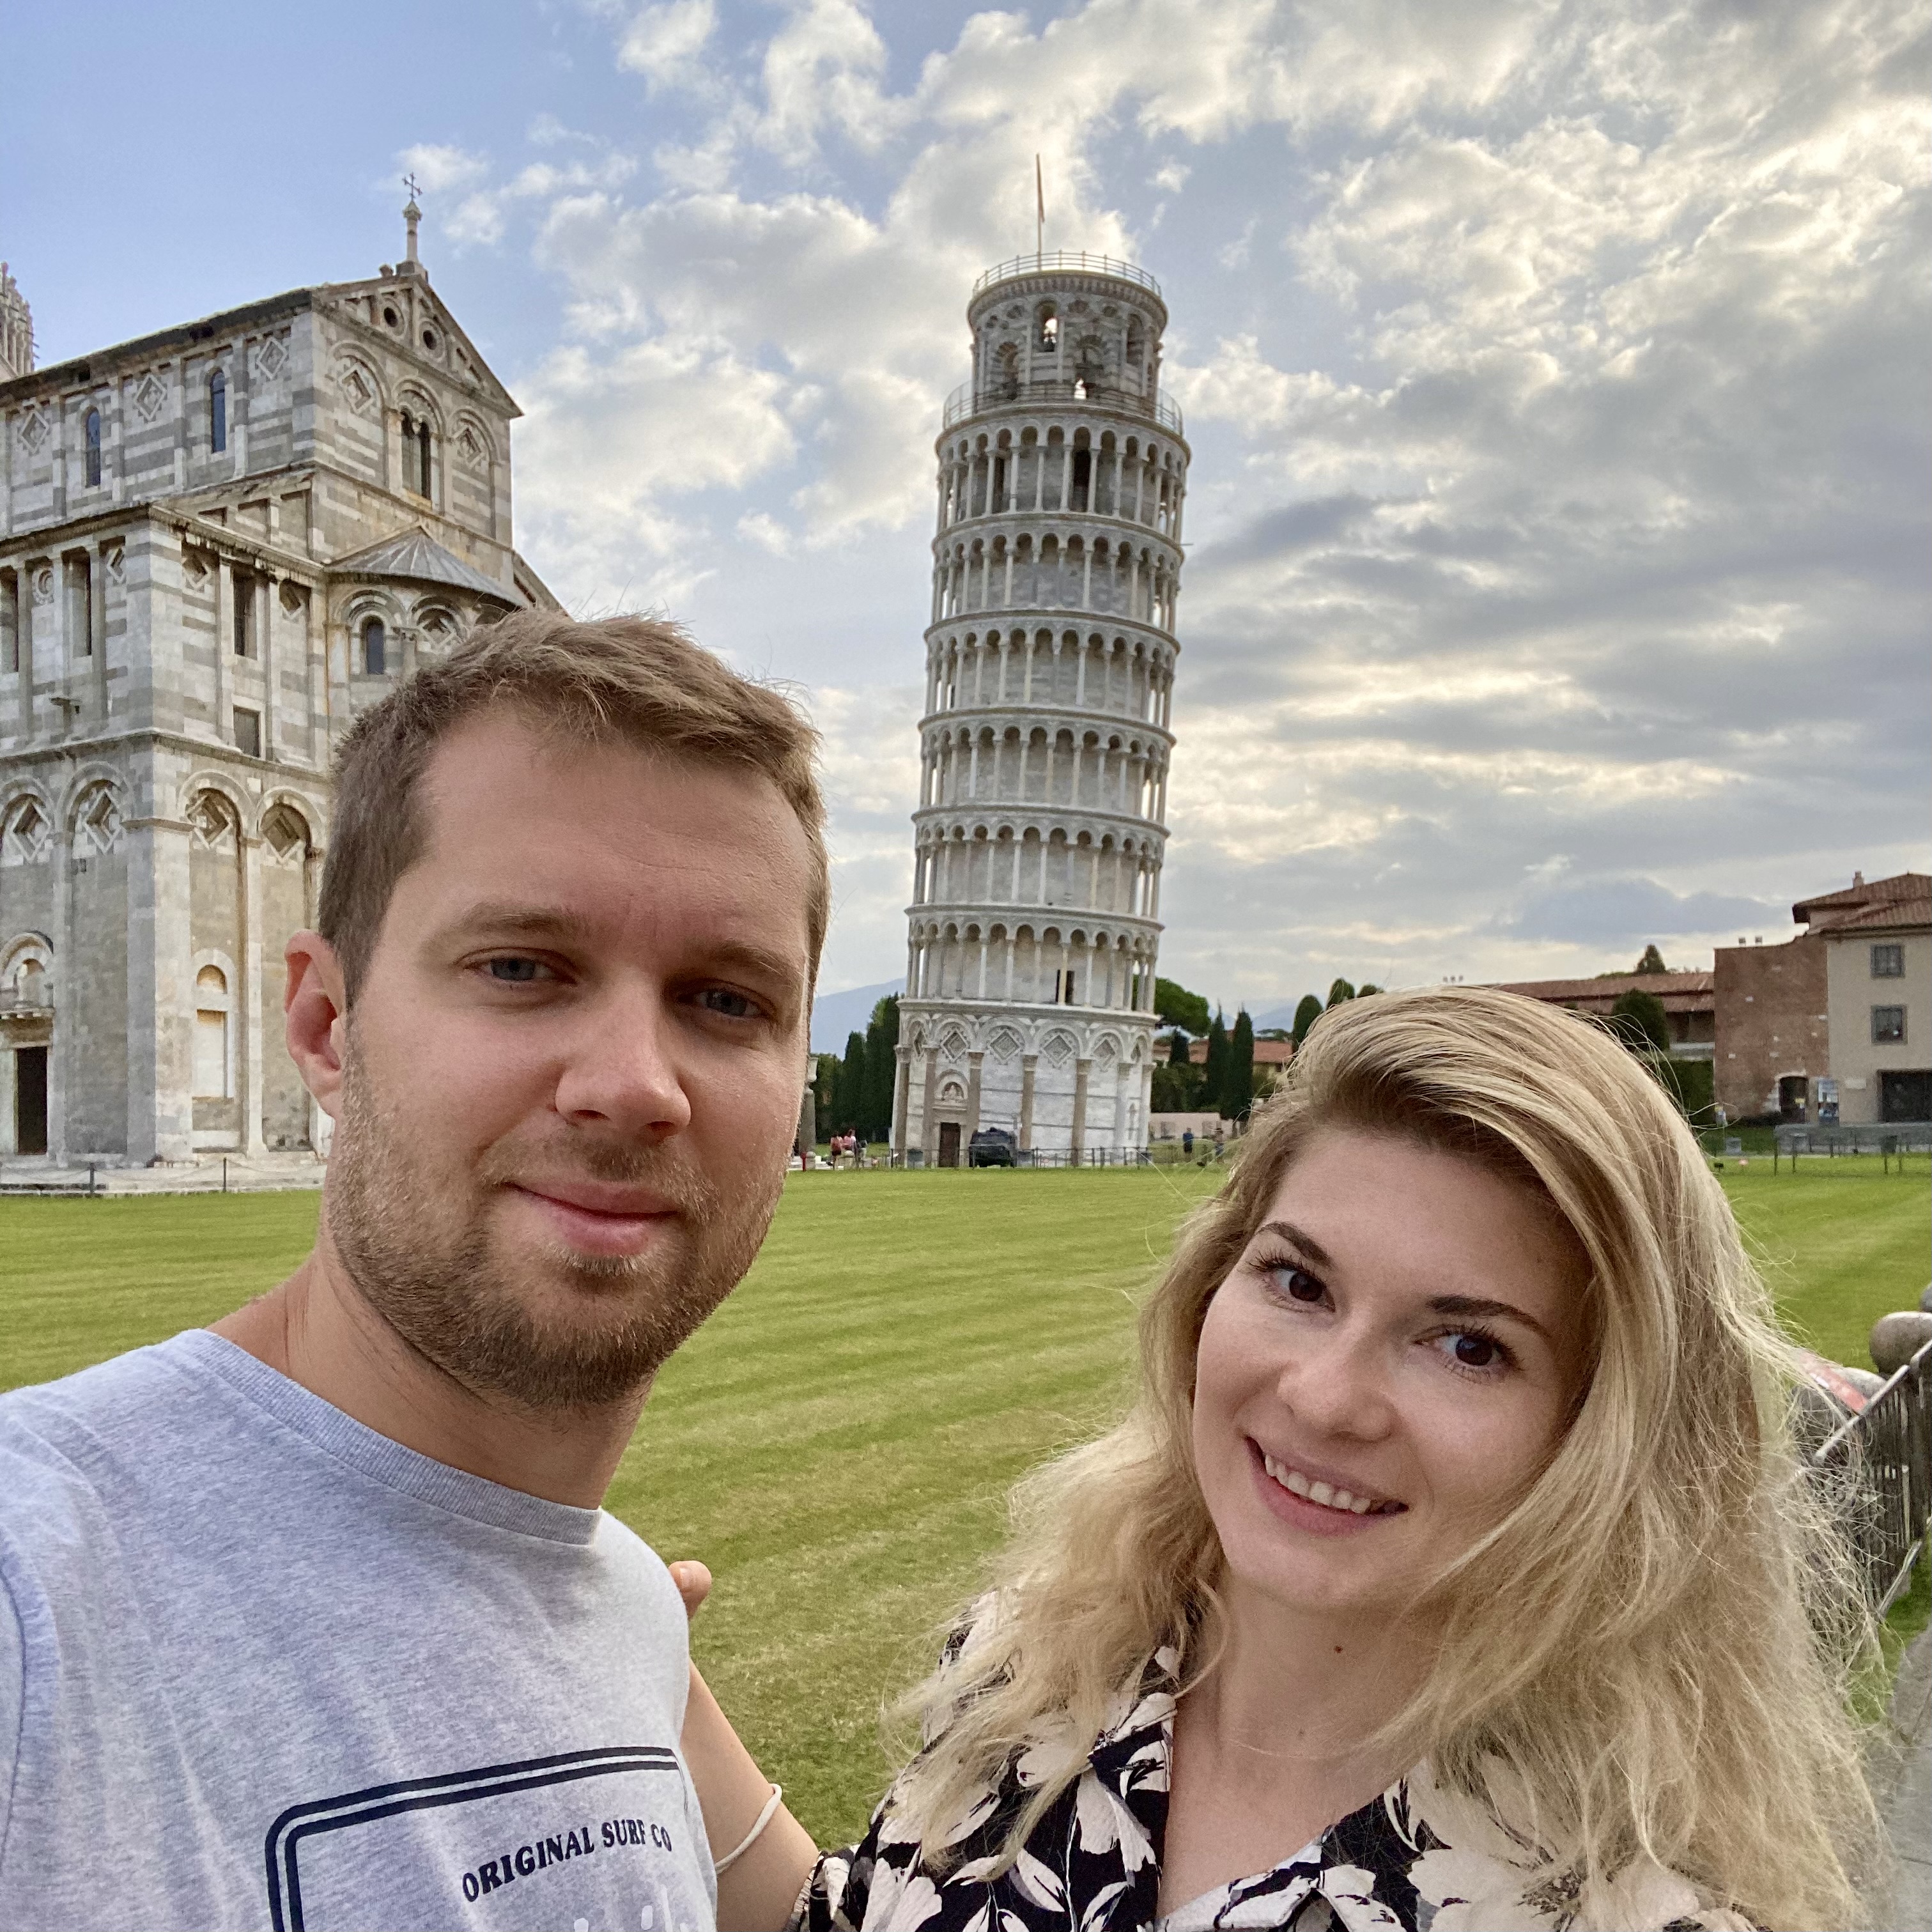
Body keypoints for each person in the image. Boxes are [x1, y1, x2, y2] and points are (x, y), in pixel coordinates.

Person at [681, 987, 1880, 1931]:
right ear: (1214, 1283)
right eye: (1299, 1282)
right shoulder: (1037, 1680)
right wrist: (647, 1671)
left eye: (1468, 1345)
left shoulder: (1603, 1907)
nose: (1325, 1397)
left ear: (1600, 1434)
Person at [0, 613, 818, 1929]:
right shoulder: (36, 1592)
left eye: (727, 1000)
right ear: (324, 1026)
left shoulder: (625, 1613)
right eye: (520, 967)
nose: (631, 1085)